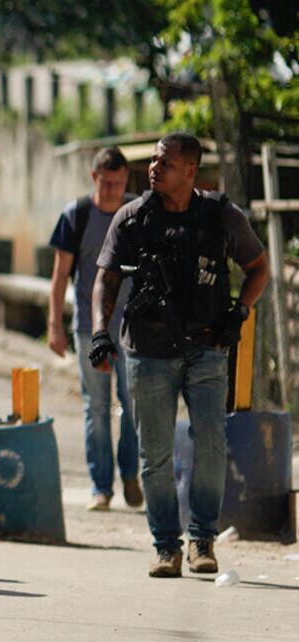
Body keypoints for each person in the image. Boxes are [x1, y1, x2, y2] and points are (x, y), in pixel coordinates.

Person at [91, 132, 270, 578]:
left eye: (165, 163)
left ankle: (202, 539)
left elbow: (259, 267)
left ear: (190, 171)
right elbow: (106, 280)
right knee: (154, 454)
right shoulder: (133, 218)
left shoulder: (221, 216)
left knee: (210, 443)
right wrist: (99, 331)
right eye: (153, 160)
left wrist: (240, 313)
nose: (154, 168)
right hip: (147, 353)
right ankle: (166, 547)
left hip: (207, 348)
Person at [47, 147, 141, 511]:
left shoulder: (137, 213)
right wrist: (55, 326)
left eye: (119, 184)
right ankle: (101, 485)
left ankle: (131, 474)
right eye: (107, 183)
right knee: (97, 407)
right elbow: (59, 276)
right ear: (94, 178)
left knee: (133, 406)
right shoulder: (77, 215)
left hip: (133, 329)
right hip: (90, 327)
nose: (113, 191)